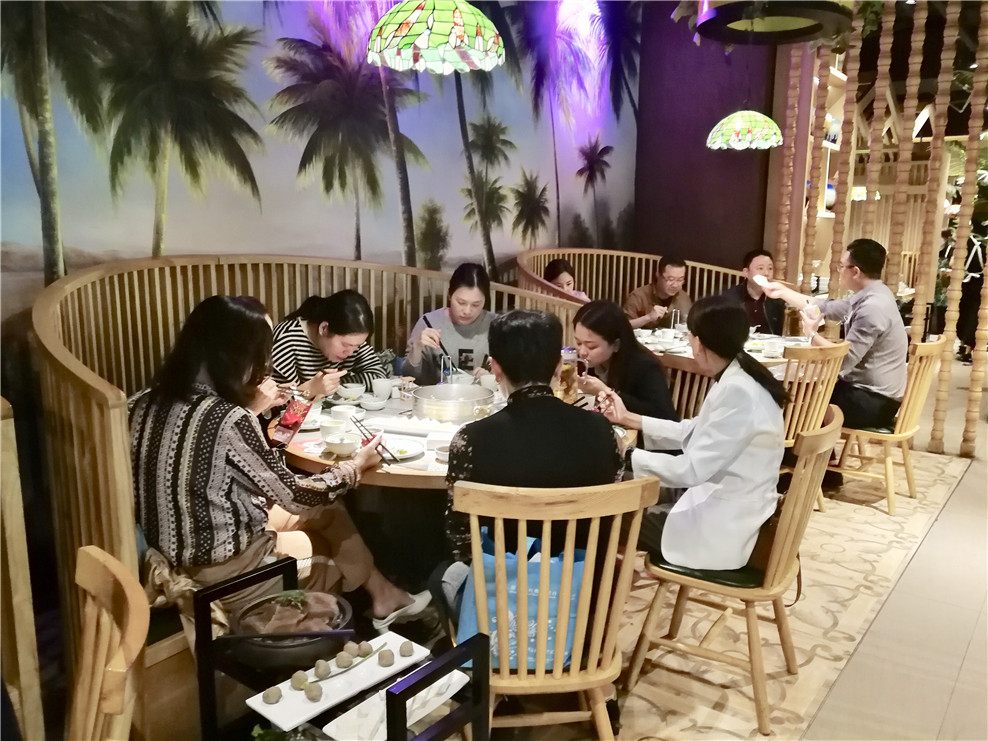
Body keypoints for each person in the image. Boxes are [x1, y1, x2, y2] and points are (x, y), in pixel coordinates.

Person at [130, 295, 429, 628]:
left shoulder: (141, 402)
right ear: (235, 354)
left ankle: (383, 595)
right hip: (222, 574)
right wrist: (356, 466)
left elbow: (265, 458)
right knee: (327, 549)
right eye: (261, 353)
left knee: (329, 509)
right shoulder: (228, 418)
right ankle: (326, 627)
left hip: (174, 549)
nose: (265, 366)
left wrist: (286, 402)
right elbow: (294, 495)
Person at [436, 310, 623, 619]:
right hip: (583, 605)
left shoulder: (470, 439)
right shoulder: (602, 430)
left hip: (503, 610)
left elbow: (460, 542)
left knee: (440, 575)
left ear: (495, 368)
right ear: (558, 366)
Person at [597, 297, 787, 570]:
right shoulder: (738, 374)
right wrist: (629, 419)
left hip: (722, 525)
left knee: (603, 515)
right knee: (622, 491)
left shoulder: (738, 391)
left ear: (698, 342)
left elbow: (691, 469)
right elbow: (695, 430)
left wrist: (626, 454)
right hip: (721, 502)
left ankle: (596, 589)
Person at [762, 238, 908, 431]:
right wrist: (782, 292)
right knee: (796, 394)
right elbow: (827, 307)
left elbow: (844, 359)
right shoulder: (877, 293)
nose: (839, 271)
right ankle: (806, 448)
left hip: (871, 402)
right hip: (869, 394)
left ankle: (795, 449)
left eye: (841, 266)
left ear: (855, 272)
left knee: (794, 406)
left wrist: (812, 335)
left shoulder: (872, 307)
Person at [272, 290, 389, 399]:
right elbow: (275, 403)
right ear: (324, 328)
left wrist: (335, 385)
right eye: (345, 345)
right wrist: (312, 389)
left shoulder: (352, 342)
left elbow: (379, 376)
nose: (350, 353)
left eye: (358, 346)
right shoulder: (286, 340)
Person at [573, 300, 678, 420]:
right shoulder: (584, 362)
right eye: (578, 343)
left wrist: (606, 392)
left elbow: (663, 416)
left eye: (591, 346)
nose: (582, 352)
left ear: (616, 344)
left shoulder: (645, 367)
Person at [402, 263, 494, 384]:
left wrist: (491, 378)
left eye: (476, 305)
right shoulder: (428, 323)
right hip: (435, 395)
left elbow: (511, 378)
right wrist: (417, 347)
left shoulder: (496, 325)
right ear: (450, 295)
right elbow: (407, 375)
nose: (467, 311)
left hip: (482, 395)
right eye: (461, 302)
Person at [721, 249, 786, 334]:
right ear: (746, 272)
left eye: (770, 268)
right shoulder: (730, 297)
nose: (766, 273)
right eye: (760, 268)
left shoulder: (778, 299)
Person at [623, 256, 693, 330]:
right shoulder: (638, 296)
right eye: (671, 279)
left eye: (680, 280)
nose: (675, 285)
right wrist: (648, 317)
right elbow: (623, 325)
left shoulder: (683, 298)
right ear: (658, 275)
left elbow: (689, 325)